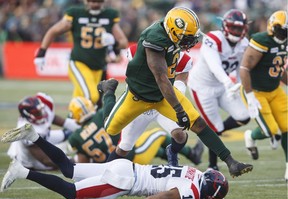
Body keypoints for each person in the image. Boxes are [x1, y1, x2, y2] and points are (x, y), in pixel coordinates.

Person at [103, 6, 253, 177]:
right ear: (174, 31)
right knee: (112, 131)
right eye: (187, 37)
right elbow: (161, 78)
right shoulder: (154, 40)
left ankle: (231, 162)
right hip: (138, 97)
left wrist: (179, 107)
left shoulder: (173, 37)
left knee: (198, 123)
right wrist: (179, 110)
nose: (190, 41)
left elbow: (172, 80)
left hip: (162, 96)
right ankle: (108, 92)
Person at [0, 123, 229, 199]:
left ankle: (34, 136)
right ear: (208, 190)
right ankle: (22, 172)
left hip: (126, 166)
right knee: (71, 192)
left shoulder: (196, 173)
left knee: (68, 169)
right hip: (125, 182)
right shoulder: (194, 191)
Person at [110, 43, 203, 166]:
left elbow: (179, 85)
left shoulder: (183, 60)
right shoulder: (136, 52)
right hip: (139, 104)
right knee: (124, 146)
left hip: (162, 104)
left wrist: (173, 100)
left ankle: (173, 157)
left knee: (179, 135)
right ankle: (104, 173)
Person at [67, 80, 202, 165]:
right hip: (133, 156)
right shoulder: (99, 115)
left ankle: (174, 159)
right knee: (158, 135)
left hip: (114, 157)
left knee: (143, 140)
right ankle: (191, 155)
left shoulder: (76, 138)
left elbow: (83, 162)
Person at [187, 9, 251, 171]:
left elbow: (240, 68)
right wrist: (228, 83)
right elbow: (214, 66)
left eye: (239, 28)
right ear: (225, 26)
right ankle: (212, 166)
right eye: (233, 27)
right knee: (215, 128)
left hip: (223, 86)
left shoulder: (244, 44)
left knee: (243, 116)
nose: (236, 31)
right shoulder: (213, 39)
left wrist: (241, 86)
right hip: (203, 87)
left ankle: (208, 135)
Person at [34, 0, 128, 107]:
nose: (95, 4)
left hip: (98, 67)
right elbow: (53, 31)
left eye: (99, 2)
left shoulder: (109, 15)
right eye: (92, 1)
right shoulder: (75, 13)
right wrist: (41, 52)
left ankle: (73, 121)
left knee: (80, 101)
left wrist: (114, 42)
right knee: (92, 97)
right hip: (79, 63)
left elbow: (123, 43)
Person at [239, 10, 288, 180]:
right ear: (272, 27)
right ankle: (251, 136)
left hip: (274, 90)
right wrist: (250, 95)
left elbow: (279, 69)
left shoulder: (285, 42)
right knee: (271, 130)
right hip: (256, 91)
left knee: (287, 127)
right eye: (281, 29)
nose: (284, 33)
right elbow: (244, 68)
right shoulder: (261, 40)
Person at [6, 92, 80, 171]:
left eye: (41, 110)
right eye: (37, 113)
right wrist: (72, 162)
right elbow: (46, 160)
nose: (41, 113)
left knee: (69, 133)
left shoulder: (43, 108)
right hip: (31, 160)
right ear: (28, 115)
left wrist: (80, 127)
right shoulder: (26, 131)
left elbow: (53, 118)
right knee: (63, 163)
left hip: (44, 137)